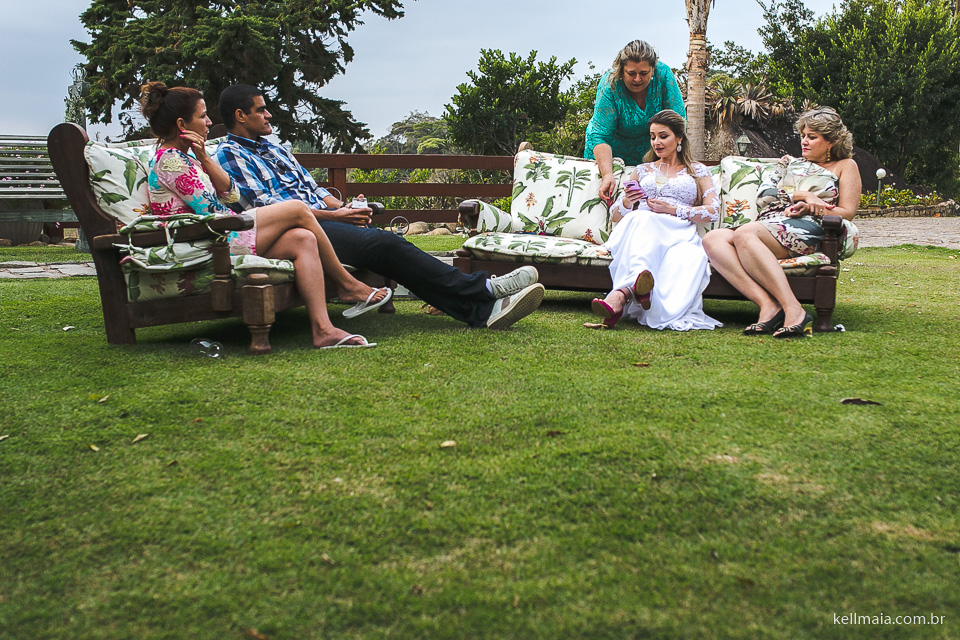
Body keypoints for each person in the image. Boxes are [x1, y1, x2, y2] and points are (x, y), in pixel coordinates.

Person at [214, 84, 544, 331]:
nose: (268, 114)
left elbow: (312, 188)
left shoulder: (277, 149)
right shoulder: (230, 154)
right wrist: (334, 215)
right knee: (386, 244)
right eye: (260, 110)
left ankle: (480, 312)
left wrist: (345, 208)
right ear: (240, 116)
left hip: (324, 218)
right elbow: (267, 207)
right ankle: (483, 287)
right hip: (295, 229)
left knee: (390, 251)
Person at [140, 81, 390, 349]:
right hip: (207, 241)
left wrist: (206, 158)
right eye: (202, 117)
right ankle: (347, 284)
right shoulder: (172, 161)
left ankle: (323, 330)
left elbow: (232, 196)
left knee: (303, 238)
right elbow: (213, 211)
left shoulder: (191, 158)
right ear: (182, 125)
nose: (210, 122)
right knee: (296, 208)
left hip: (222, 233)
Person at [702, 107, 861, 338]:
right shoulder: (787, 162)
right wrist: (803, 196)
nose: (804, 142)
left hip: (811, 227)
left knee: (745, 233)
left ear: (831, 142)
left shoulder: (846, 166)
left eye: (812, 137)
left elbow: (847, 211)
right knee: (712, 239)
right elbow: (766, 194)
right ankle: (768, 306)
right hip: (771, 221)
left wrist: (811, 207)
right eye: (803, 136)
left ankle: (793, 310)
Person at [588, 110, 722, 332]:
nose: (656, 143)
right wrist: (629, 202)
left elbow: (713, 211)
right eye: (652, 137)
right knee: (642, 218)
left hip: (678, 230)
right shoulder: (642, 170)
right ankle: (632, 290)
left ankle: (621, 294)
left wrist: (674, 209)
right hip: (642, 226)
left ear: (679, 138)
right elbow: (615, 215)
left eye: (663, 136)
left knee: (679, 250)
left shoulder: (697, 170)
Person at [584, 40, 687, 201]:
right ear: (621, 70)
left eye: (644, 73)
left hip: (651, 148)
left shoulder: (664, 76)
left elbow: (677, 125)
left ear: (653, 69)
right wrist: (607, 175)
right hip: (609, 147)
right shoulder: (609, 85)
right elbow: (601, 135)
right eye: (631, 73)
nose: (638, 79)